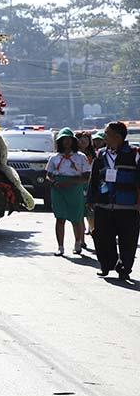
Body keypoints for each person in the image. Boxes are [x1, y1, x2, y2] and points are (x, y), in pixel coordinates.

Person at [87, 121, 139, 282]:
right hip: (103, 204)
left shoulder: (134, 154)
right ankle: (106, 265)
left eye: (107, 134)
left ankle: (124, 268)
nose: (104, 137)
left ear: (117, 136)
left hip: (128, 206)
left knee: (128, 240)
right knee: (102, 236)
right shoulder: (101, 154)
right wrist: (90, 198)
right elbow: (94, 178)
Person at [47, 127, 92, 256]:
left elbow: (86, 176)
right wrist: (54, 182)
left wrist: (71, 182)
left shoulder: (81, 157)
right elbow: (48, 174)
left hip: (75, 187)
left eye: (69, 140)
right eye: (63, 140)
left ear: (73, 141)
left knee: (76, 218)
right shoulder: (54, 157)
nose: (66, 142)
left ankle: (78, 242)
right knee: (60, 217)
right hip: (58, 188)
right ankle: (60, 246)